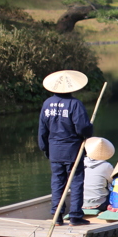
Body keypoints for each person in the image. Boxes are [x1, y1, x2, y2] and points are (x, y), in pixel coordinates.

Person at [38, 69, 93, 225]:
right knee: (75, 181)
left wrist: (44, 147)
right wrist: (89, 130)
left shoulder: (47, 104)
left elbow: (42, 130)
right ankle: (75, 215)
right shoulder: (75, 104)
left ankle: (57, 215)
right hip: (72, 149)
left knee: (57, 181)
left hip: (54, 149)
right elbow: (82, 128)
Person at [83, 137, 115, 213]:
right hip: (100, 204)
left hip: (80, 203)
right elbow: (113, 181)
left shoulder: (81, 162)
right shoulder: (106, 166)